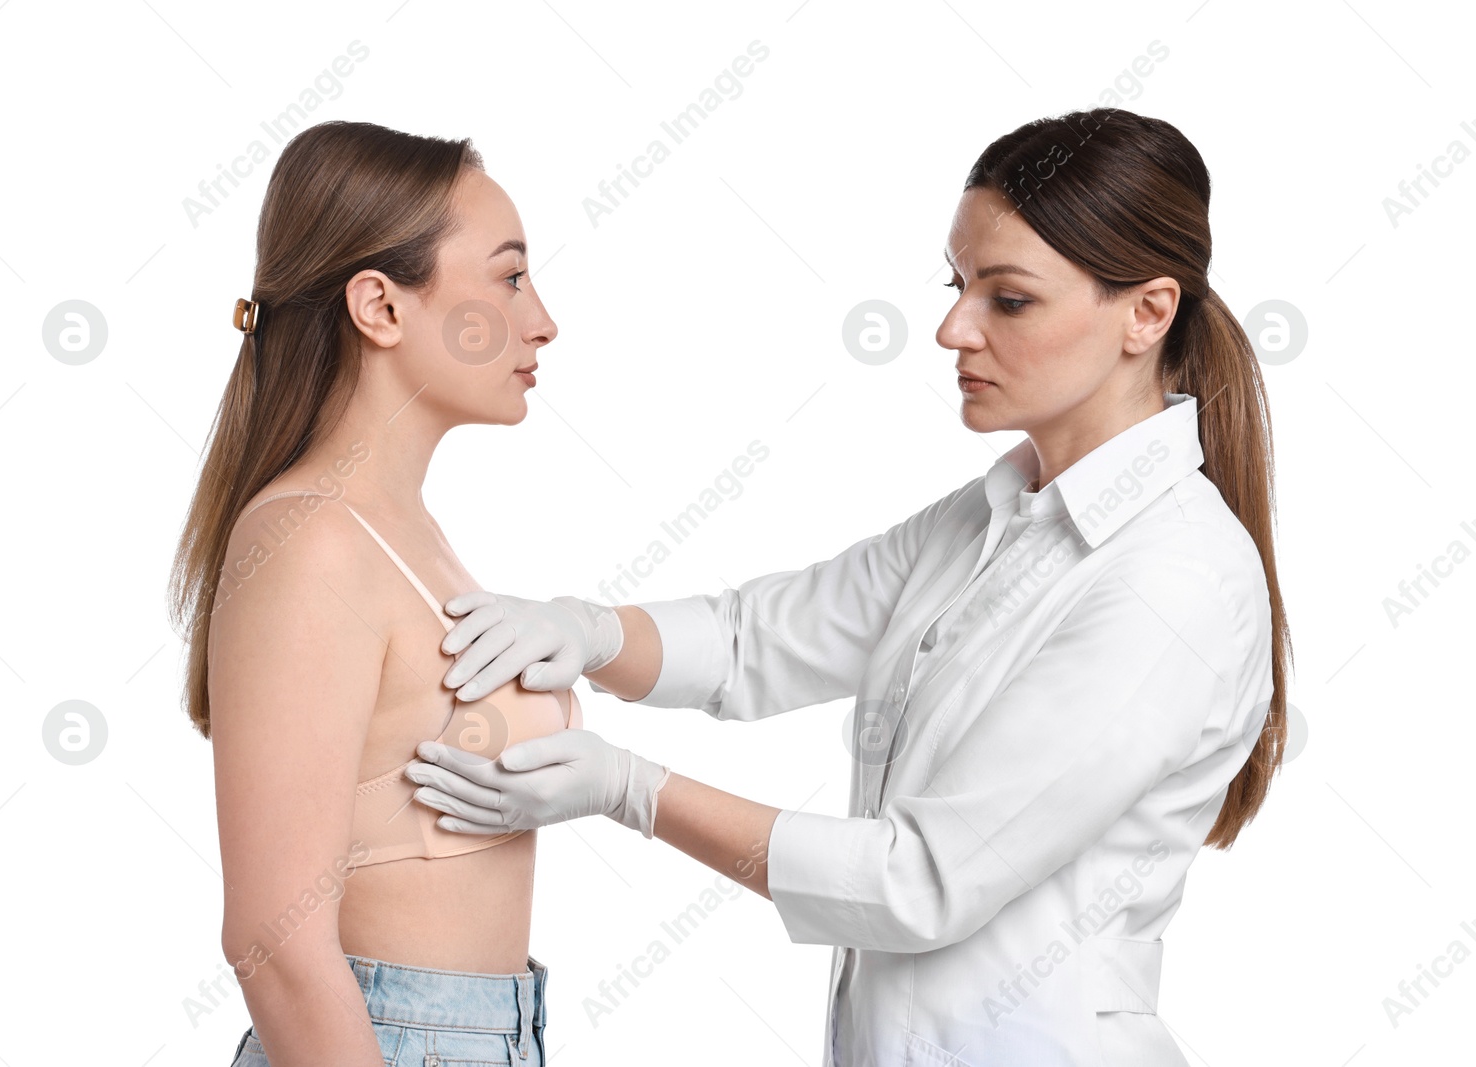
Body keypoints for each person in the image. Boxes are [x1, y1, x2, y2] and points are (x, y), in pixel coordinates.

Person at [401, 107, 1292, 1066]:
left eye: (1010, 299)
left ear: (1148, 313)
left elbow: (919, 882)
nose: (954, 327)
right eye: (958, 286)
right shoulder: (993, 519)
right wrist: (589, 630)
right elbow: (755, 639)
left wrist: (629, 789)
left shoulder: (1175, 579)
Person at [167, 120, 600, 1066]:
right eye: (511, 276)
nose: (543, 320)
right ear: (380, 306)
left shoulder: (403, 534)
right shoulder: (312, 541)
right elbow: (273, 943)